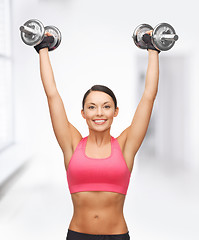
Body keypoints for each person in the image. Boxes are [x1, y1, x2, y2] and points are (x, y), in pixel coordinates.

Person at [34, 30, 159, 240]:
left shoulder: (126, 146)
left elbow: (148, 96)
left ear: (115, 112)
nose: (99, 113)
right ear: (83, 113)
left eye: (106, 106)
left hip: (117, 236)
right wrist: (42, 48)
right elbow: (52, 94)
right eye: (92, 107)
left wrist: (153, 50)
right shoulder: (72, 144)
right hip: (78, 235)